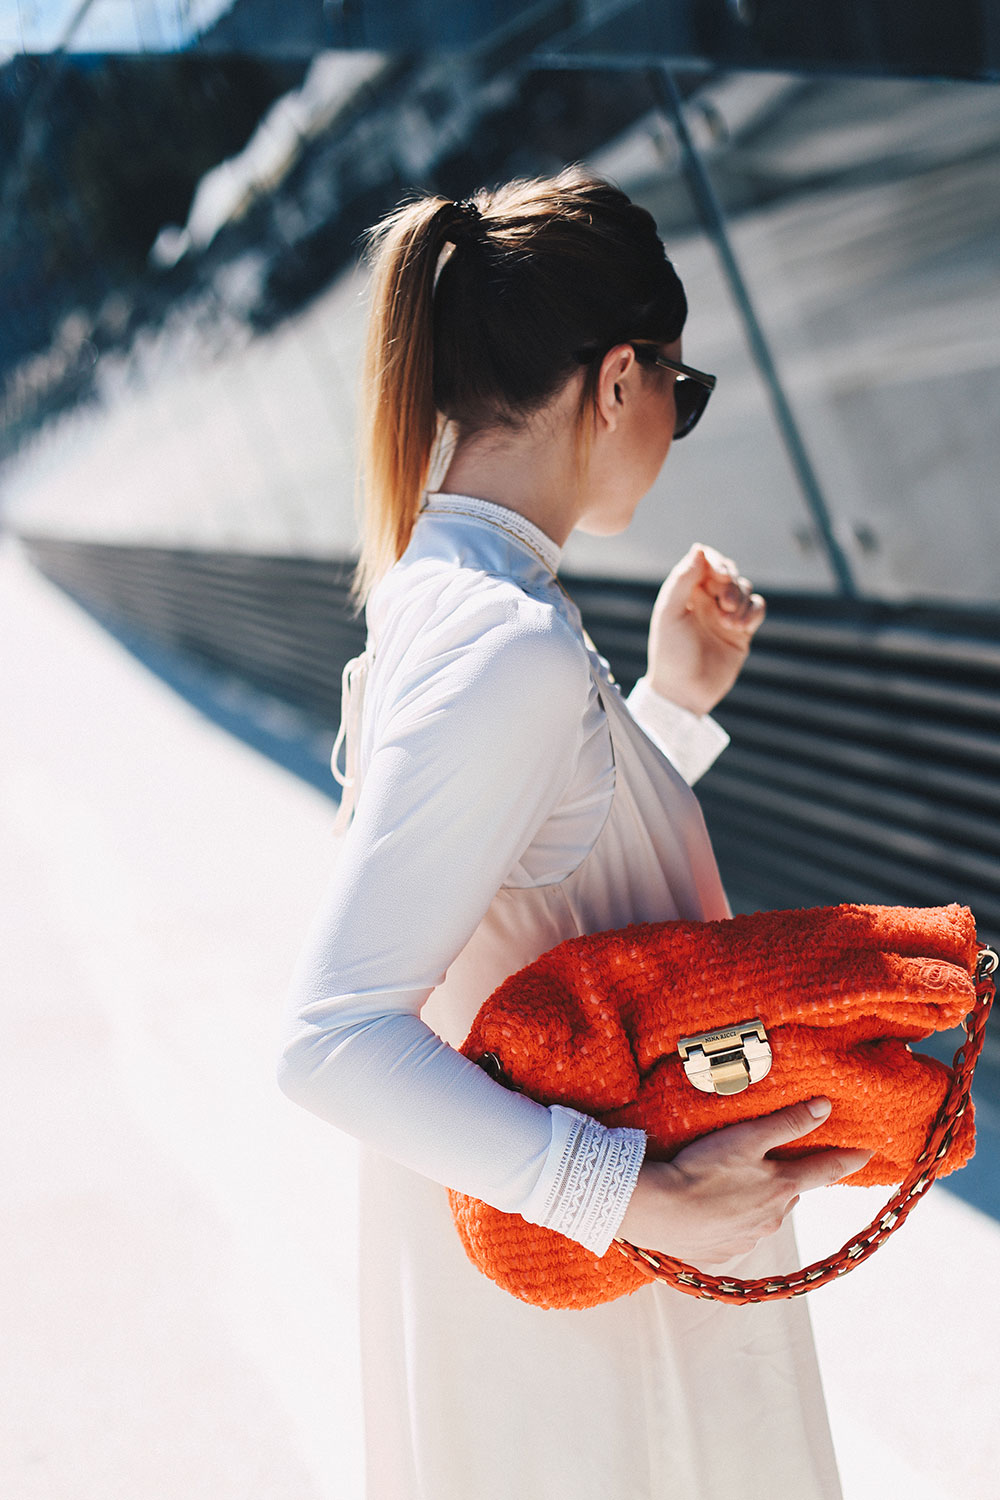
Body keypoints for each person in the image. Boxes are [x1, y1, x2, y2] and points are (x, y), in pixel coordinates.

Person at [277, 167, 869, 1500]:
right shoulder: (503, 642)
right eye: (682, 390)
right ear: (618, 382)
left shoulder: (452, 600)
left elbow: (534, 882)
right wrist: (647, 1204)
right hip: (599, 1325)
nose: (676, 423)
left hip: (564, 1295)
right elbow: (330, 1039)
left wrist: (670, 705)